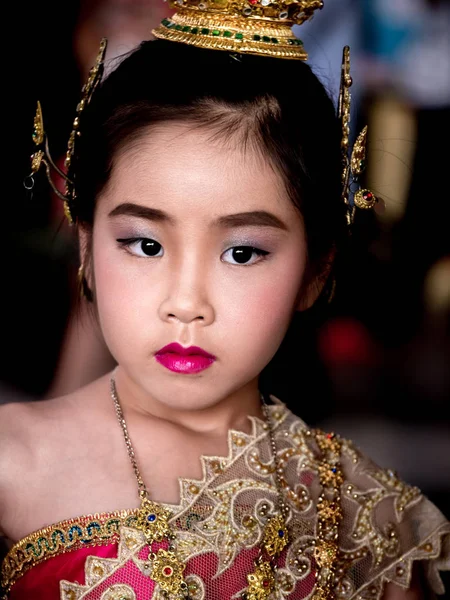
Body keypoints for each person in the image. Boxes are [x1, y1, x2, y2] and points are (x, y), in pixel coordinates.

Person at [0, 1, 449, 599]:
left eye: (241, 253)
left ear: (316, 272)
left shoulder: (368, 518)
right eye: (144, 244)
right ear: (86, 245)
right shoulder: (13, 461)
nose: (187, 304)